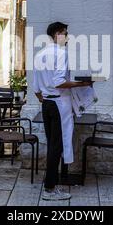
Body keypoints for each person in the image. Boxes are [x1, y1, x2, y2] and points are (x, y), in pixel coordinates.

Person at [33, 22, 92, 201]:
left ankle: (50, 185)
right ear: (57, 34)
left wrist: (47, 99)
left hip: (47, 104)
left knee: (53, 144)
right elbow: (59, 81)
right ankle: (49, 189)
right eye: (65, 33)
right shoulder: (61, 53)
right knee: (57, 146)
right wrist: (82, 84)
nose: (67, 37)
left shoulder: (40, 54)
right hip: (59, 104)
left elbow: (36, 88)